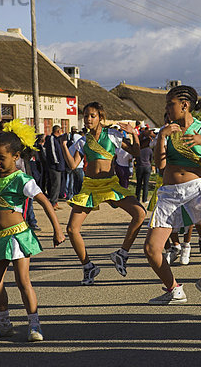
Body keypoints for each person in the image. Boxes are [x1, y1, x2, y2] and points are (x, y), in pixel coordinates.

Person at [0, 119, 65, 342]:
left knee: (22, 281)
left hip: (18, 235)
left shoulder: (22, 179)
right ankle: (3, 323)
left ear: (16, 157)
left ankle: (34, 325)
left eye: (1, 158)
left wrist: (57, 230)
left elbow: (44, 202)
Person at [144, 85, 201, 306]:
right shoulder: (166, 130)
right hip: (169, 194)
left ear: (184, 105)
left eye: (170, 103)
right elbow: (159, 165)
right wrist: (161, 138)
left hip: (197, 191)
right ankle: (173, 289)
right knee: (151, 249)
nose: (167, 108)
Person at [61, 102, 145, 285]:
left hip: (111, 185)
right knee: (71, 229)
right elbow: (73, 165)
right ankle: (88, 267)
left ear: (100, 117)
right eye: (86, 116)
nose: (88, 119)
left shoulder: (113, 135)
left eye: (92, 116)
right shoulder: (82, 141)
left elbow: (136, 152)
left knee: (140, 213)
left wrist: (133, 133)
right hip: (90, 186)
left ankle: (122, 254)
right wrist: (63, 147)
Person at [44, 125, 66, 209]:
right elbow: (53, 152)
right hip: (54, 166)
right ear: (58, 131)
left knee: (58, 184)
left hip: (59, 165)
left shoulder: (58, 139)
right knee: (55, 184)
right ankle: (52, 203)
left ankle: (55, 202)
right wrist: (56, 162)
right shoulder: (51, 139)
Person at [136, 135, 153, 203]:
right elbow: (151, 159)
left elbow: (136, 158)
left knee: (139, 184)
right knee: (146, 184)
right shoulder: (149, 150)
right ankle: (145, 199)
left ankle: (137, 198)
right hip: (147, 167)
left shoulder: (139, 150)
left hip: (140, 167)